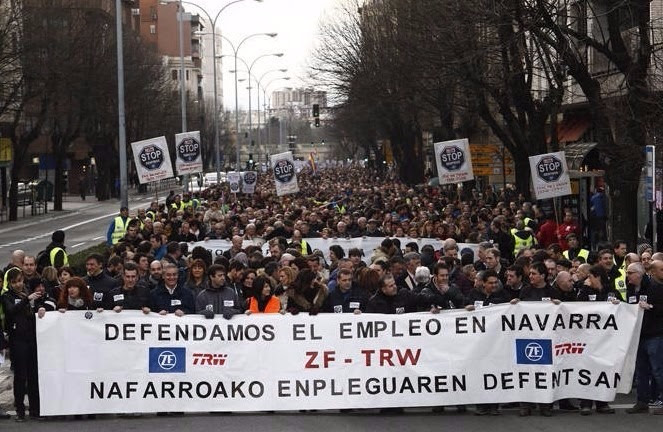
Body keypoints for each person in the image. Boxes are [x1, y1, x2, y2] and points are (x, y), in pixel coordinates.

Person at [1, 269, 55, 421]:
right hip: (17, 340)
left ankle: (35, 410)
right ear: (10, 283)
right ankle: (19, 411)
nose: (18, 284)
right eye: (14, 282)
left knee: (33, 376)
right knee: (20, 376)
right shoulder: (6, 297)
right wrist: (27, 300)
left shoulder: (28, 293)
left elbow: (42, 305)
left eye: (20, 281)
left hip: (32, 338)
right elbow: (11, 311)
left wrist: (42, 307)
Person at [577, 264, 620, 415]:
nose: (588, 279)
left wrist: (617, 305)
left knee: (603, 369)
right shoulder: (585, 290)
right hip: (588, 338)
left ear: (598, 277)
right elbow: (576, 309)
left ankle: (602, 403)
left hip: (606, 340)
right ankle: (585, 403)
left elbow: (623, 309)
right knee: (587, 369)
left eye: (590, 276)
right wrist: (585, 289)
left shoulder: (611, 291)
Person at [626, 261, 663, 414]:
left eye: (630, 273)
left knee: (658, 370)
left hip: (654, 335)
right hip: (639, 336)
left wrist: (651, 307)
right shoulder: (631, 288)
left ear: (638, 274)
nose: (627, 276)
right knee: (641, 370)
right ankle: (642, 401)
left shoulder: (655, 287)